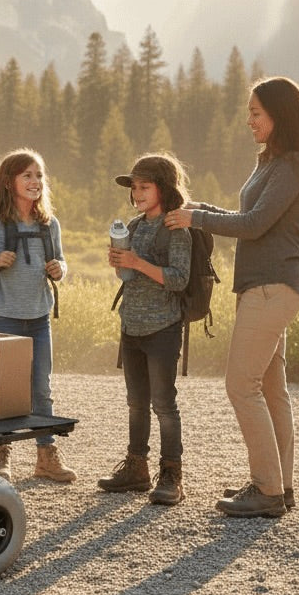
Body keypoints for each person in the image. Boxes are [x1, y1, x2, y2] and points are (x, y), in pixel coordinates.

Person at [164, 76, 299, 518]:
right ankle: (281, 485)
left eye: (256, 112)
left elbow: (255, 225)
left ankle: (267, 489)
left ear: (279, 115)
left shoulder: (293, 164)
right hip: (265, 287)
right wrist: (199, 212)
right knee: (272, 390)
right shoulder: (273, 162)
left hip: (271, 288)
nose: (249, 120)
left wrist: (197, 217)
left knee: (240, 384)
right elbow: (247, 217)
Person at [0, 149, 74, 484]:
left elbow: (62, 262)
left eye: (39, 175)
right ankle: (1, 457)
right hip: (5, 320)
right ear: (9, 182)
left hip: (39, 319)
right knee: (4, 391)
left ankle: (46, 456)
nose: (35, 181)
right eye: (27, 175)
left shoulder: (48, 224)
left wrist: (59, 269)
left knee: (42, 388)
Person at [101, 153, 192, 505]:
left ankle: (172, 475)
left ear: (164, 188)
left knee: (163, 404)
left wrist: (137, 262)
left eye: (145, 187)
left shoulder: (175, 228)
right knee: (136, 403)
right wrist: (120, 263)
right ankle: (136, 468)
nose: (137, 194)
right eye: (134, 187)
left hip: (163, 329)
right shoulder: (134, 227)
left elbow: (179, 279)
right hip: (132, 326)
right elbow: (129, 277)